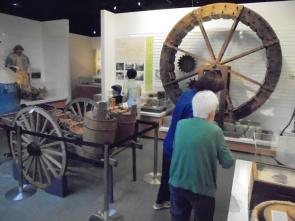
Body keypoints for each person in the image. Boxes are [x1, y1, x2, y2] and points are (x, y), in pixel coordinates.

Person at [153, 70, 225, 210]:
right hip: (179, 148)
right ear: (209, 90)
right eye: (215, 91)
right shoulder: (197, 106)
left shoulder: (186, 93)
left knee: (167, 174)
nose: (216, 95)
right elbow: (192, 134)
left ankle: (160, 201)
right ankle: (183, 206)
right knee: (183, 180)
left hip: (170, 142)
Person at [169, 90, 235, 221]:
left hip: (176, 182)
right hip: (201, 187)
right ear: (212, 113)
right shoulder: (215, 131)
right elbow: (228, 162)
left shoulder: (180, 125)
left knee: (178, 217)